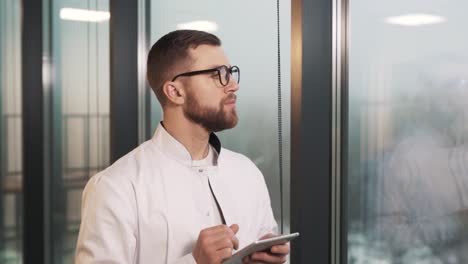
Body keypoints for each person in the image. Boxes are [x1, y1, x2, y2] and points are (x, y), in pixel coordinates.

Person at [75, 30, 290, 264]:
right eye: (218, 74)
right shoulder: (116, 187)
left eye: (230, 72)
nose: (233, 85)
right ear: (175, 92)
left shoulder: (247, 173)